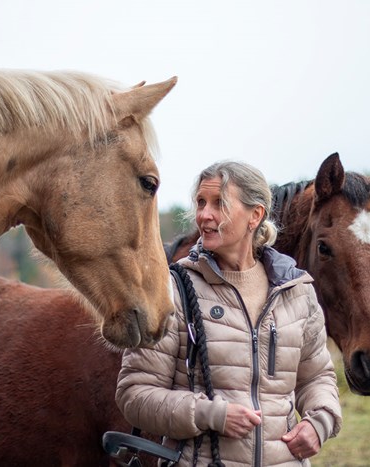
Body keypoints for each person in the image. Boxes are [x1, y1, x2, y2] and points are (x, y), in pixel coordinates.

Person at [116, 161, 342, 466]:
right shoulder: (175, 291)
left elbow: (317, 378)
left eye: (219, 203)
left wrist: (319, 423)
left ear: (255, 216)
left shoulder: (296, 291)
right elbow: (135, 394)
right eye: (200, 202)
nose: (204, 215)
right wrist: (212, 414)